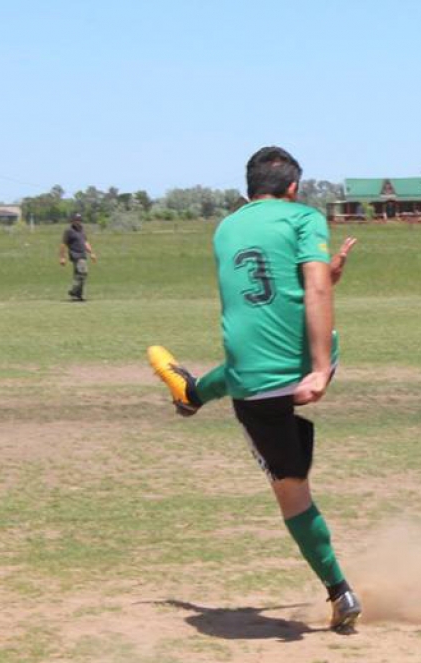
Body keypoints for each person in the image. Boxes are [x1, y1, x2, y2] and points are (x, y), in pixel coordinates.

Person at [147, 146, 361, 632]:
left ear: (249, 190)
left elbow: (263, 296)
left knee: (292, 492)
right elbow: (313, 289)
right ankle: (192, 393)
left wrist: (322, 279)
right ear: (293, 189)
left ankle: (340, 592)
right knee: (292, 478)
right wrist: (320, 368)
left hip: (255, 384)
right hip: (307, 363)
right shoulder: (304, 218)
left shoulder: (225, 228)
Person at [60, 213, 96, 301]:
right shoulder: (69, 231)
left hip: (83, 254)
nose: (78, 222)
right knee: (83, 272)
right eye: (76, 220)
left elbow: (85, 242)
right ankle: (73, 291)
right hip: (75, 255)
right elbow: (63, 244)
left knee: (79, 275)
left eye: (79, 220)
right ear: (72, 221)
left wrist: (91, 253)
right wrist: (62, 257)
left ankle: (77, 296)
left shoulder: (81, 230)